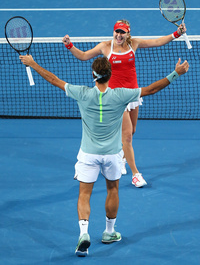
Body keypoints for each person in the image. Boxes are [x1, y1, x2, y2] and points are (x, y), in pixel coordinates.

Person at [19, 54, 189, 257]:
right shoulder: (121, 95)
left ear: (93, 75)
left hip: (88, 155)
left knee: (84, 194)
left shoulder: (81, 93)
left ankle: (83, 233)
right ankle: (109, 232)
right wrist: (175, 74)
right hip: (112, 155)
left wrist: (33, 63)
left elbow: (54, 79)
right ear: (110, 74)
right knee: (113, 190)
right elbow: (151, 89)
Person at [62, 20, 187, 187]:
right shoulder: (105, 46)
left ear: (128, 34)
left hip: (132, 94)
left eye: (122, 32)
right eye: (117, 32)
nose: (119, 35)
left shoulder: (134, 44)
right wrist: (69, 45)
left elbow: (157, 42)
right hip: (115, 98)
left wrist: (176, 34)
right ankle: (136, 174)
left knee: (132, 131)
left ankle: (121, 156)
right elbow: (84, 56)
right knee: (126, 136)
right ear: (113, 32)